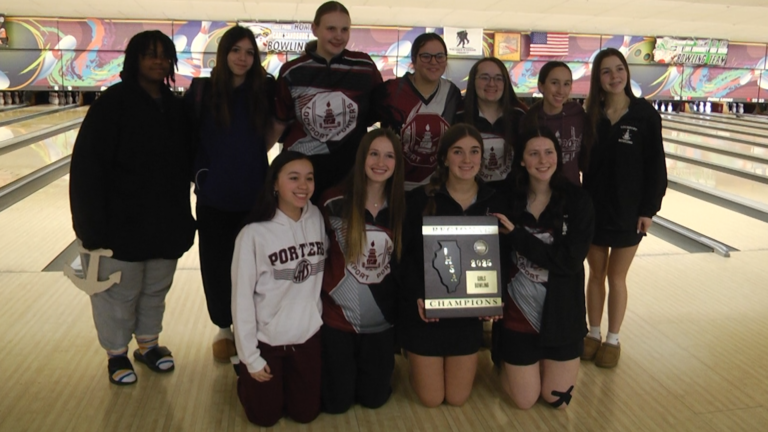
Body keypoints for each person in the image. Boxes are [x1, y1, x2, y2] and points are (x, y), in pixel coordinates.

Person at [69, 30, 195, 385]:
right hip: (119, 226)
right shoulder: (112, 104)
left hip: (165, 224)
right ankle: (116, 355)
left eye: (164, 55)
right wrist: (88, 228)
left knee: (156, 290)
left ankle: (149, 345)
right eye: (150, 54)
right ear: (134, 60)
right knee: (118, 295)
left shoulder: (175, 107)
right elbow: (87, 168)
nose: (159, 61)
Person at [184, 25, 277, 363]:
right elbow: (188, 141)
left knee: (253, 266)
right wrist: (200, 177)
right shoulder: (201, 91)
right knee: (217, 264)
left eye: (249, 52)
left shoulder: (264, 91)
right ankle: (224, 327)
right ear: (223, 54)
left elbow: (277, 128)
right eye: (236, 50)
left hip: (254, 195)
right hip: (214, 198)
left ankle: (250, 328)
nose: (243, 57)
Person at [398, 124, 506, 407]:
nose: (466, 159)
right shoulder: (420, 199)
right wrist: (416, 297)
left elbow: (502, 259)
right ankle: (413, 355)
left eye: (474, 152)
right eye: (458, 152)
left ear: (482, 157)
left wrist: (493, 299)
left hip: (466, 317)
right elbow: (404, 258)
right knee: (432, 399)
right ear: (445, 158)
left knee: (457, 399)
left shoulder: (495, 202)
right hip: (426, 314)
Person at [493, 126, 594, 410]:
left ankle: (532, 366)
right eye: (533, 153)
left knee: (556, 400)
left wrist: (518, 237)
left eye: (549, 152)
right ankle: (507, 362)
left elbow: (569, 261)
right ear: (522, 160)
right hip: (517, 319)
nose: (542, 160)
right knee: (524, 401)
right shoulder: (506, 200)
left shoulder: (578, 202)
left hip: (563, 318)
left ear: (558, 158)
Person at [582, 48, 667, 368]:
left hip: (629, 211)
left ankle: (613, 339)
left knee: (617, 277)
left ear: (627, 73)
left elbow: (656, 167)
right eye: (606, 71)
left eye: (619, 69)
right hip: (594, 209)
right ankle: (592, 333)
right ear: (598, 79)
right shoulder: (591, 115)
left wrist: (649, 210)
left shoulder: (645, 115)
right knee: (596, 274)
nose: (614, 76)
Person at [231, 151, 327, 426]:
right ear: (274, 183)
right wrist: (250, 357)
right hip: (268, 342)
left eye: (309, 178)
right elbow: (241, 300)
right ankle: (244, 380)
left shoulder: (316, 217)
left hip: (307, 338)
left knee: (305, 414)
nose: (303, 186)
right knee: (265, 417)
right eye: (293, 178)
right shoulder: (253, 234)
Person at [319, 128, 406, 413]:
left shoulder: (402, 208)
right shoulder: (333, 202)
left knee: (374, 400)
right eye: (374, 154)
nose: (381, 162)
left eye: (389, 156)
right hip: (336, 322)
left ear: (397, 163)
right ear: (362, 157)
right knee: (337, 404)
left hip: (380, 324)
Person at [274, 1, 383, 200]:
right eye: (331, 28)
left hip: (350, 170)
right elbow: (280, 122)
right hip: (304, 171)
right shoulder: (293, 71)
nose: (338, 36)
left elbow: (377, 111)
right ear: (315, 29)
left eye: (344, 29)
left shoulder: (364, 67)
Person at [375, 32, 463, 191]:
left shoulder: (452, 94)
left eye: (440, 56)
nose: (433, 62)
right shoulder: (391, 91)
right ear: (413, 59)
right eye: (426, 56)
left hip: (436, 187)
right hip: (393, 185)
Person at [520, 61, 591, 185]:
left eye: (566, 84)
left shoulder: (578, 115)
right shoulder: (530, 121)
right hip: (540, 193)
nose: (561, 90)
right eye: (554, 83)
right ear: (541, 86)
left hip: (572, 192)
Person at [462, 57, 526, 189]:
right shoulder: (458, 115)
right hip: (470, 196)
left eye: (498, 78)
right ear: (473, 81)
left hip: (513, 197)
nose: (492, 83)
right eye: (484, 77)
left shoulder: (521, 116)